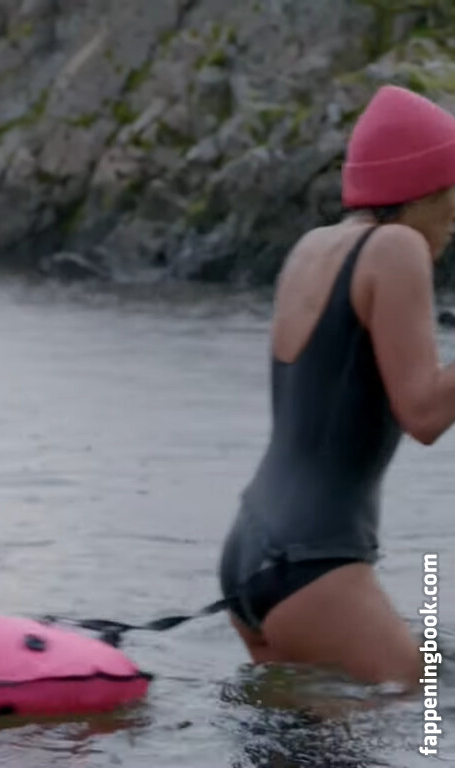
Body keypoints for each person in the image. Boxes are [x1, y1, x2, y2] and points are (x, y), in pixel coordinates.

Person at [218, 84, 455, 690]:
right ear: (423, 189)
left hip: (249, 552)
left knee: (311, 735)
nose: (454, 221)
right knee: (424, 706)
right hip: (315, 562)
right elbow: (425, 413)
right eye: (452, 199)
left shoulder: (313, 246)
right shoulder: (397, 247)